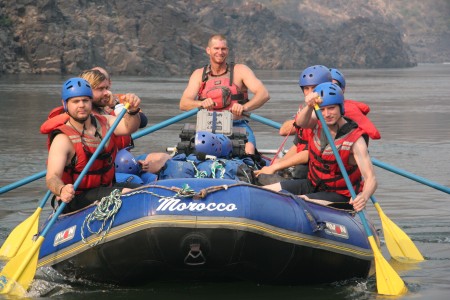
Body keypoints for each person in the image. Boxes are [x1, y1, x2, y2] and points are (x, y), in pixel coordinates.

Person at [263, 82, 377, 212]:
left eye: (332, 108)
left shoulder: (356, 140)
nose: (327, 114)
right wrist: (309, 106)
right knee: (265, 191)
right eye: (322, 109)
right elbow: (300, 122)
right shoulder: (316, 124)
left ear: (341, 108)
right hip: (312, 184)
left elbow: (371, 178)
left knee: (293, 203)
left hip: (340, 195)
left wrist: (364, 196)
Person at [43, 77, 142, 213]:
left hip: (107, 187)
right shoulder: (62, 139)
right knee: (128, 193)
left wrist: (133, 111)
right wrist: (61, 189)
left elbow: (128, 127)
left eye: (85, 100)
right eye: (75, 101)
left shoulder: (105, 122)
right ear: (65, 104)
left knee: (146, 189)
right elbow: (52, 177)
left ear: (91, 101)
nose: (81, 105)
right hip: (77, 198)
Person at [179, 34, 270, 155]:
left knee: (249, 150)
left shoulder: (241, 70)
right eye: (216, 48)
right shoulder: (198, 74)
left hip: (237, 125)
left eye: (223, 49)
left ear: (227, 51)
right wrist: (201, 103)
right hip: (206, 129)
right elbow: (184, 104)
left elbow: (263, 94)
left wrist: (244, 107)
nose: (220, 52)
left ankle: (249, 163)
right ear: (208, 50)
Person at [255, 65, 331, 180]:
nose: (309, 93)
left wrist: (277, 166)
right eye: (306, 88)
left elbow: (309, 152)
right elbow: (298, 144)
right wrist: (276, 164)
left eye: (314, 88)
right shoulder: (306, 112)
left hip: (316, 173)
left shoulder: (327, 116)